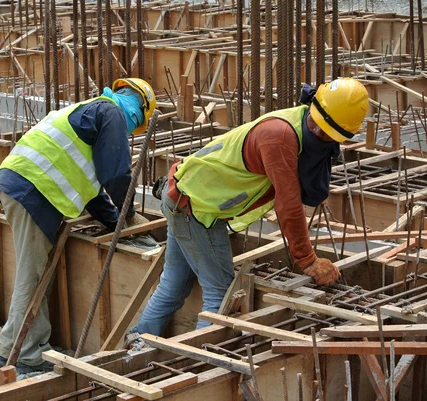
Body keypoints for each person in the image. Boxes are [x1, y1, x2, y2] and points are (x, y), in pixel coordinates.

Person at [127, 78, 369, 342]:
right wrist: (308, 260)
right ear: (313, 108)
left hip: (185, 195)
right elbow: (288, 205)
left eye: (330, 134)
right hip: (196, 207)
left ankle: (138, 341)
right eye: (319, 128)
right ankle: (195, 363)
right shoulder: (280, 136)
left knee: (174, 285)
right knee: (221, 293)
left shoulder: (298, 124)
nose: (321, 136)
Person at [0, 78, 156, 373]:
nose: (130, 132)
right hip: (30, 190)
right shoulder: (111, 113)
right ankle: (22, 351)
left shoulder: (90, 112)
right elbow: (116, 176)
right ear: (137, 111)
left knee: (35, 274)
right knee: (33, 275)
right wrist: (128, 215)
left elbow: (93, 194)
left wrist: (117, 221)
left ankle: (20, 345)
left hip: (23, 187)